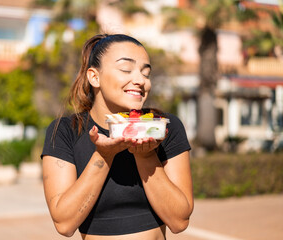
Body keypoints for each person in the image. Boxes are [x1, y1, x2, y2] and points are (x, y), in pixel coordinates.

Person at [41, 33, 193, 240]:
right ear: (94, 77)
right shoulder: (65, 131)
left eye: (146, 73)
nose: (140, 80)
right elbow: (64, 224)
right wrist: (104, 155)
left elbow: (179, 221)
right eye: (126, 69)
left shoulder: (164, 127)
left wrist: (146, 156)